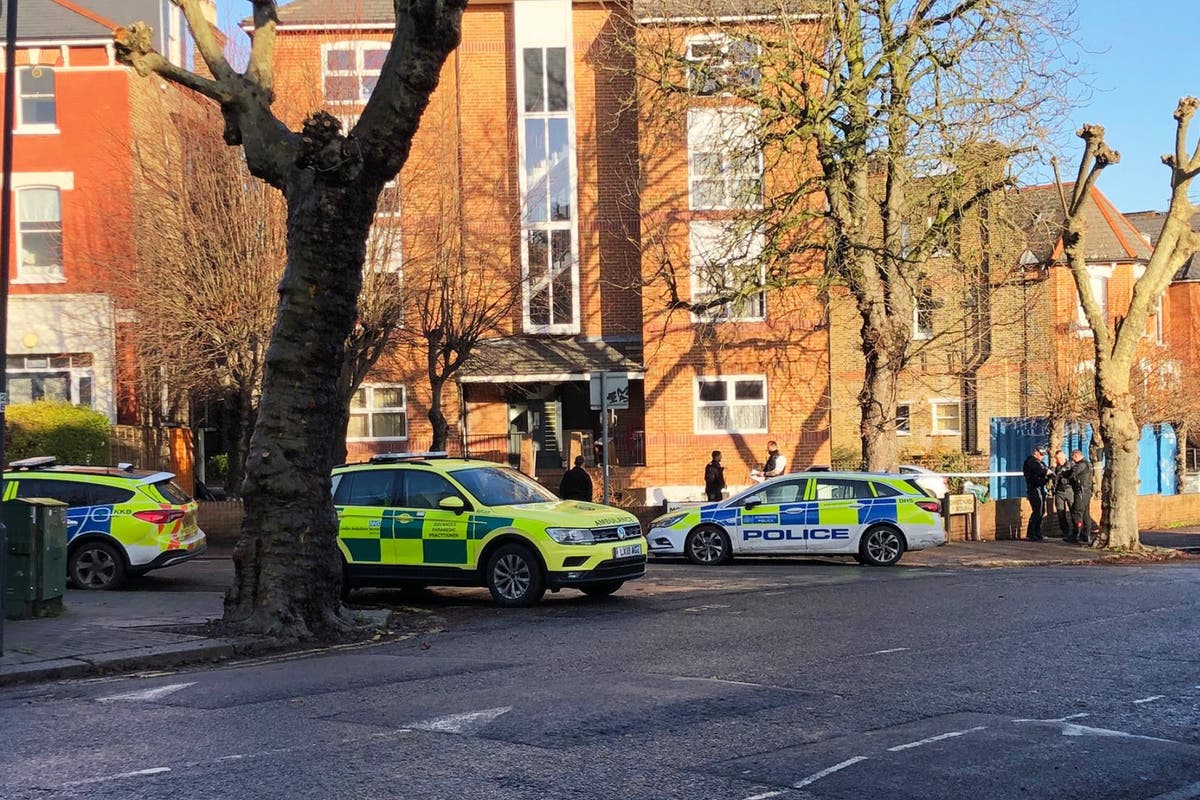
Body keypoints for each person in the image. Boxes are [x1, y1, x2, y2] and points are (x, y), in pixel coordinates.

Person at [1022, 445, 1049, 541]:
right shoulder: (1031, 461)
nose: (1042, 456)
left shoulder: (1041, 463)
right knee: (1037, 510)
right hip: (1034, 488)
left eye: (1043, 455)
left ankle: (1038, 531)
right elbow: (1039, 471)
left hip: (1040, 488)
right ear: (1036, 452)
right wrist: (1047, 472)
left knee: (1041, 511)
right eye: (1041, 454)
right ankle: (1031, 532)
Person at [1068, 449, 1095, 545]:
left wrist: (1065, 473)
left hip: (1081, 492)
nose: (1073, 461)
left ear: (1076, 456)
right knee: (1085, 513)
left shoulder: (1081, 465)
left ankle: (1076, 535)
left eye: (1073, 459)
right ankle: (1086, 535)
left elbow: (1071, 475)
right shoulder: (1088, 464)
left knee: (1077, 512)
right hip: (1086, 492)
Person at [1049, 450, 1075, 541]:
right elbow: (1049, 475)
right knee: (1060, 512)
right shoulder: (1056, 466)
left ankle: (1076, 530)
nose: (1059, 460)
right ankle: (1065, 531)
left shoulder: (1070, 464)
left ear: (1064, 456)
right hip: (1059, 491)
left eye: (1060, 458)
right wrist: (1053, 467)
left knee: (1073, 510)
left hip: (1069, 489)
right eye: (1057, 458)